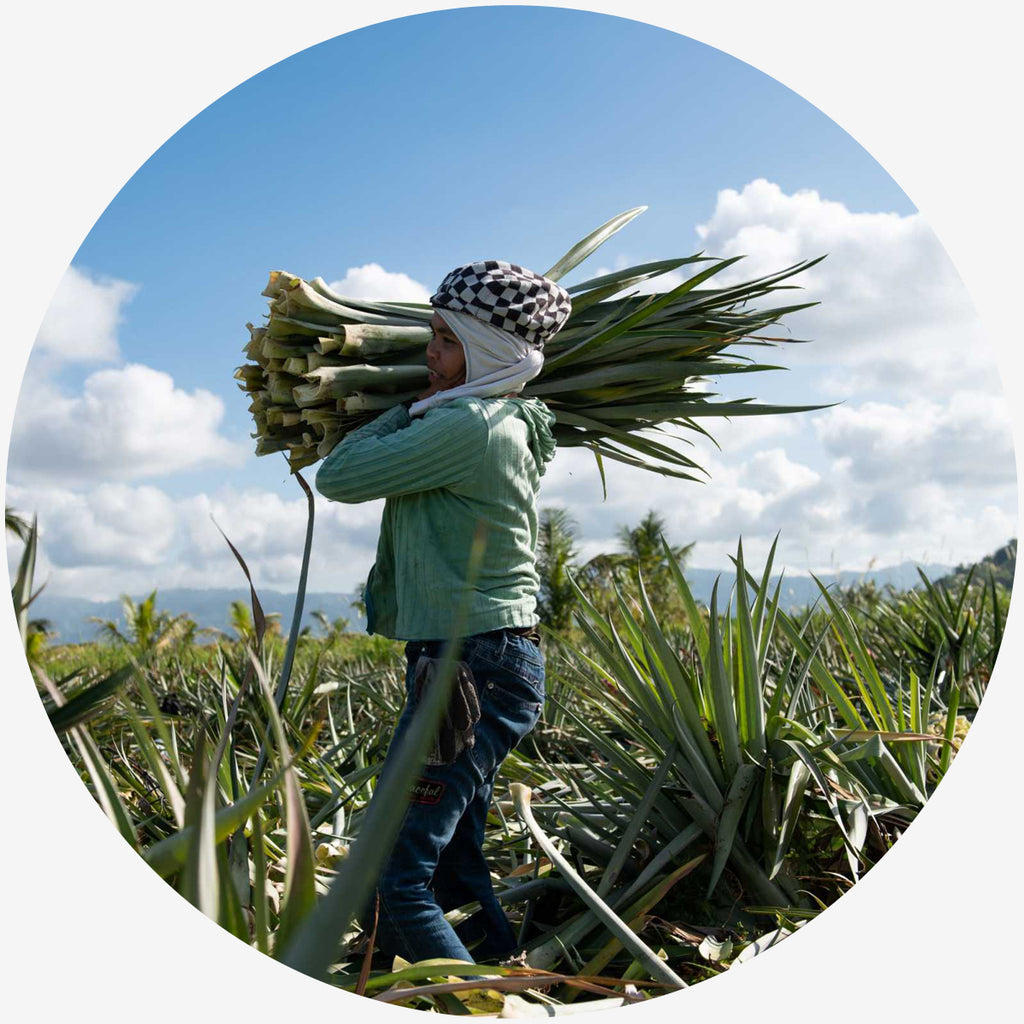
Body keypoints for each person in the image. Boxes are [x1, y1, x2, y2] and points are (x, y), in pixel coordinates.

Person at [314, 259, 571, 966]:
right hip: (470, 663)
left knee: (395, 874)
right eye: (433, 335)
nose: (430, 354)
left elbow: (337, 477)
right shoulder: (501, 420)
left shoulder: (471, 429)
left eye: (447, 340)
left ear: (490, 352)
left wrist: (398, 408)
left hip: (471, 668)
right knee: (451, 865)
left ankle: (478, 1008)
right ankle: (497, 978)